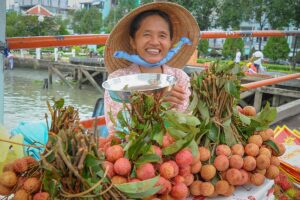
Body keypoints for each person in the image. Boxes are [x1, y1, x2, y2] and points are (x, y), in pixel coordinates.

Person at [103, 2, 200, 134]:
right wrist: (157, 101)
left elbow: (185, 126)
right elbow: (118, 129)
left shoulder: (180, 78)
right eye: (146, 34)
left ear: (170, 43)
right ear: (133, 42)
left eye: (162, 36)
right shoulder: (118, 80)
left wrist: (167, 107)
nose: (155, 42)